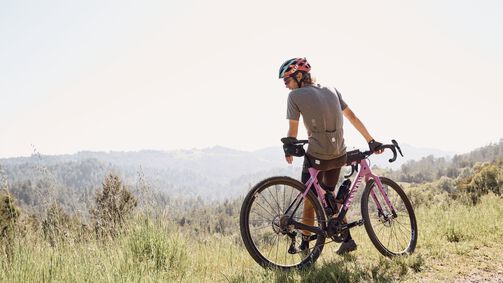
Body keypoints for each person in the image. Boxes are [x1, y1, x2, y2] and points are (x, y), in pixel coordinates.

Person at [279, 57, 383, 255]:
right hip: (338, 155)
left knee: (309, 198)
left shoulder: (295, 96)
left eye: (287, 80)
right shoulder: (332, 89)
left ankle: (305, 246)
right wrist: (371, 140)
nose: (286, 86)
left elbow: (293, 130)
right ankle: (346, 239)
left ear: (299, 76)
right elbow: (352, 116)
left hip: (318, 155)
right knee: (329, 194)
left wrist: (289, 149)